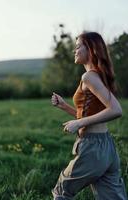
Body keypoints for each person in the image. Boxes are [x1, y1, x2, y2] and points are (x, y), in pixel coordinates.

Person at [51, 32, 128, 200]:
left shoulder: (89, 77)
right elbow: (91, 114)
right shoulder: (99, 75)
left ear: (91, 50)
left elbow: (116, 110)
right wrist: (64, 106)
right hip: (107, 145)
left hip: (93, 146)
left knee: (61, 191)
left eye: (78, 46)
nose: (74, 50)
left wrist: (78, 124)